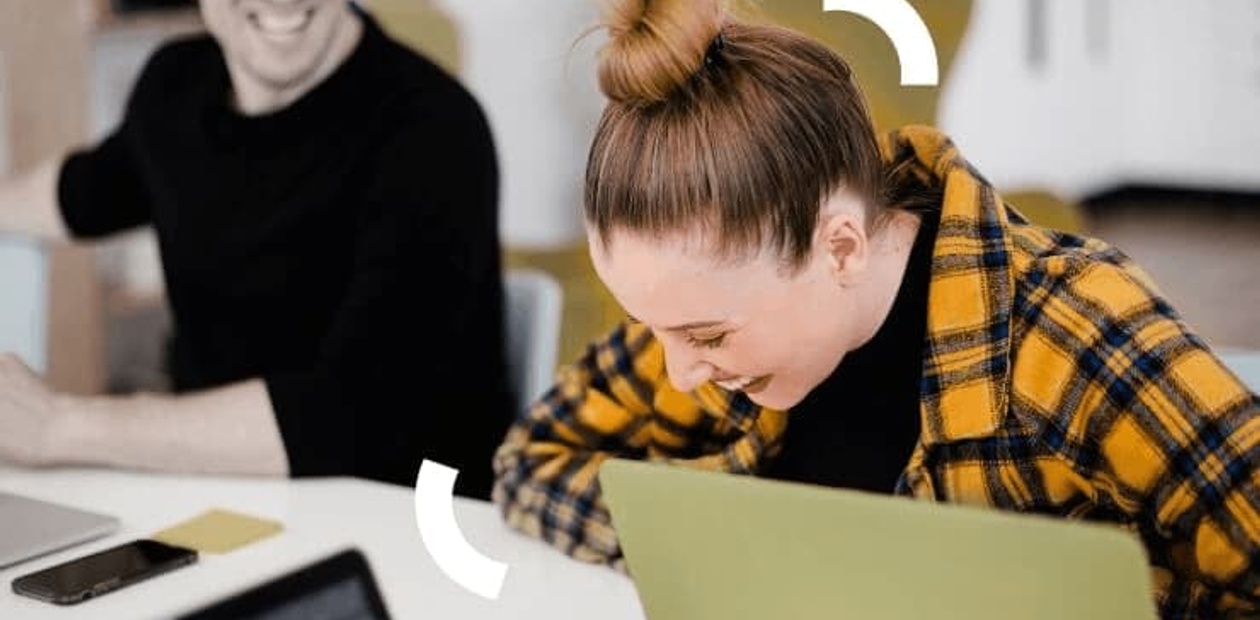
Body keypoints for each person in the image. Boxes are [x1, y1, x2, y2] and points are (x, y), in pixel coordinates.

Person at [490, 0, 1260, 616]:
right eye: (656, 328)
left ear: (843, 248)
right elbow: (529, 465)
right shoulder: (702, 302)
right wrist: (725, 536)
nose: (681, 374)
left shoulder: (1075, 330)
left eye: (707, 336)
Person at [0, 0, 513, 499]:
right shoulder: (176, 85)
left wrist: (59, 425)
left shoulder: (436, 130)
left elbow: (348, 415)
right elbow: (86, 192)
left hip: (413, 525)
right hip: (223, 499)